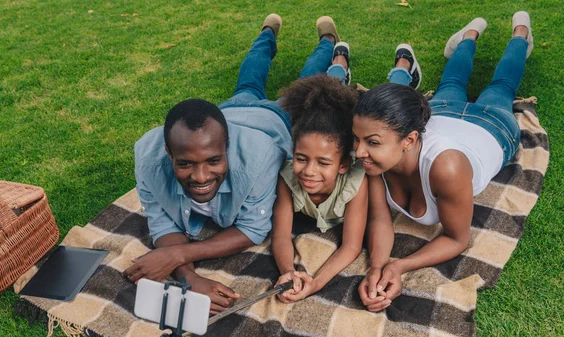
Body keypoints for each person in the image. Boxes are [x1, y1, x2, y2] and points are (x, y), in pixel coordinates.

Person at [125, 14, 352, 314]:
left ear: (227, 146)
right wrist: (188, 276)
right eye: (185, 164)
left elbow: (252, 229)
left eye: (214, 161)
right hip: (229, 112)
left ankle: (327, 43)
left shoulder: (260, 158)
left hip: (273, 121)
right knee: (247, 81)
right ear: (168, 152)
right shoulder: (147, 156)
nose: (201, 176)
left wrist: (177, 254)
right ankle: (268, 33)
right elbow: (162, 221)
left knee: (307, 85)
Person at [353, 12, 534, 312]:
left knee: (501, 87)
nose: (359, 152)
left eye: (371, 142)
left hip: (491, 127)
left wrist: (400, 266)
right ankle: (471, 34)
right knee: (451, 81)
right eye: (357, 139)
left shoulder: (446, 168)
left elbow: (456, 238)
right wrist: (377, 267)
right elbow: (380, 219)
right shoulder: (377, 160)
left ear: (409, 140)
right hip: (443, 113)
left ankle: (520, 31)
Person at [271, 75, 368, 303]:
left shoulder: (356, 183)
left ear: (343, 164)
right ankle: (338, 67)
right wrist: (288, 271)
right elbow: (281, 235)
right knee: (331, 77)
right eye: (301, 158)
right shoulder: (286, 178)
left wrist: (316, 282)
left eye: (323, 163)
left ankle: (400, 70)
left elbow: (352, 245)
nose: (309, 171)